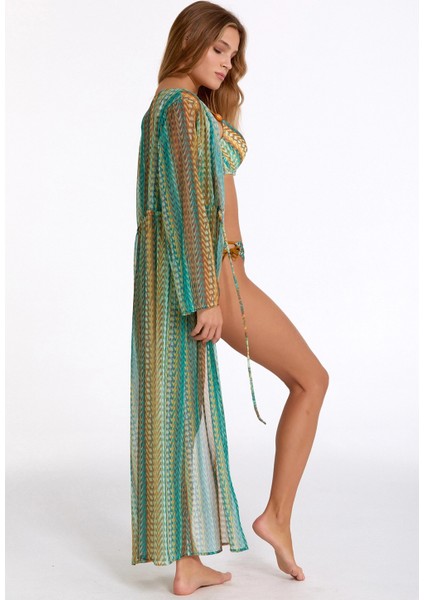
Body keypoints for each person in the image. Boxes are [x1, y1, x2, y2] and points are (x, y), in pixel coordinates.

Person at [130, 1, 329, 595]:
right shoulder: (182, 111)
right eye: (218, 49)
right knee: (311, 380)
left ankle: (187, 563)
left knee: (180, 409)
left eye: (233, 54)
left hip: (202, 274)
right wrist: (206, 295)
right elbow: (187, 212)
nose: (227, 63)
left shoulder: (169, 108)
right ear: (188, 41)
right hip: (214, 278)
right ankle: (277, 517)